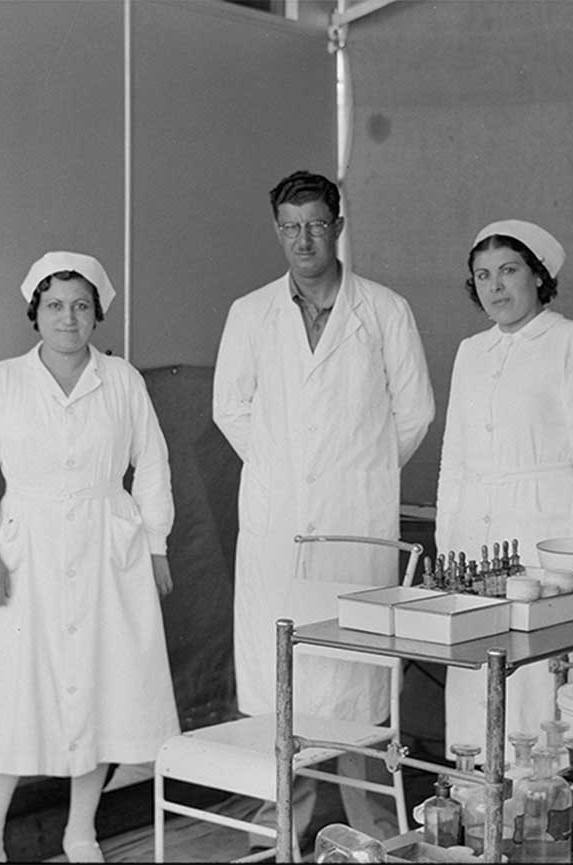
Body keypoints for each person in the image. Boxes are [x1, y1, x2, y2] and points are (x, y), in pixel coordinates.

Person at [213, 170, 435, 842]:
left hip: (352, 525)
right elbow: (230, 407)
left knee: (353, 682)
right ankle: (277, 830)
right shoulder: (250, 312)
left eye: (316, 223)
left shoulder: (384, 309)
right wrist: (290, 468)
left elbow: (415, 410)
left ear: (338, 225)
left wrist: (354, 470)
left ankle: (371, 833)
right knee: (283, 682)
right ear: (276, 230)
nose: (303, 238)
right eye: (290, 226)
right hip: (280, 527)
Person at [0, 251, 178, 863]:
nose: (68, 318)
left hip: (111, 550)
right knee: (13, 694)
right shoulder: (3, 381)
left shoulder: (123, 380)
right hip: (26, 551)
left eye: (81, 305)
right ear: (36, 312)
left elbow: (153, 464)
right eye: (55, 305)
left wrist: (155, 545)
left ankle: (81, 829)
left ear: (97, 313)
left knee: (102, 691)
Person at [437, 220, 573, 754]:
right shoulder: (470, 353)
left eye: (508, 270)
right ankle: (477, 813)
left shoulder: (572, 342)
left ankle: (536, 814)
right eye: (482, 275)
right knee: (477, 681)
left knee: (540, 689)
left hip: (547, 547)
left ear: (540, 278)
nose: (494, 286)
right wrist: (449, 543)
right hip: (477, 548)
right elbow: (453, 457)